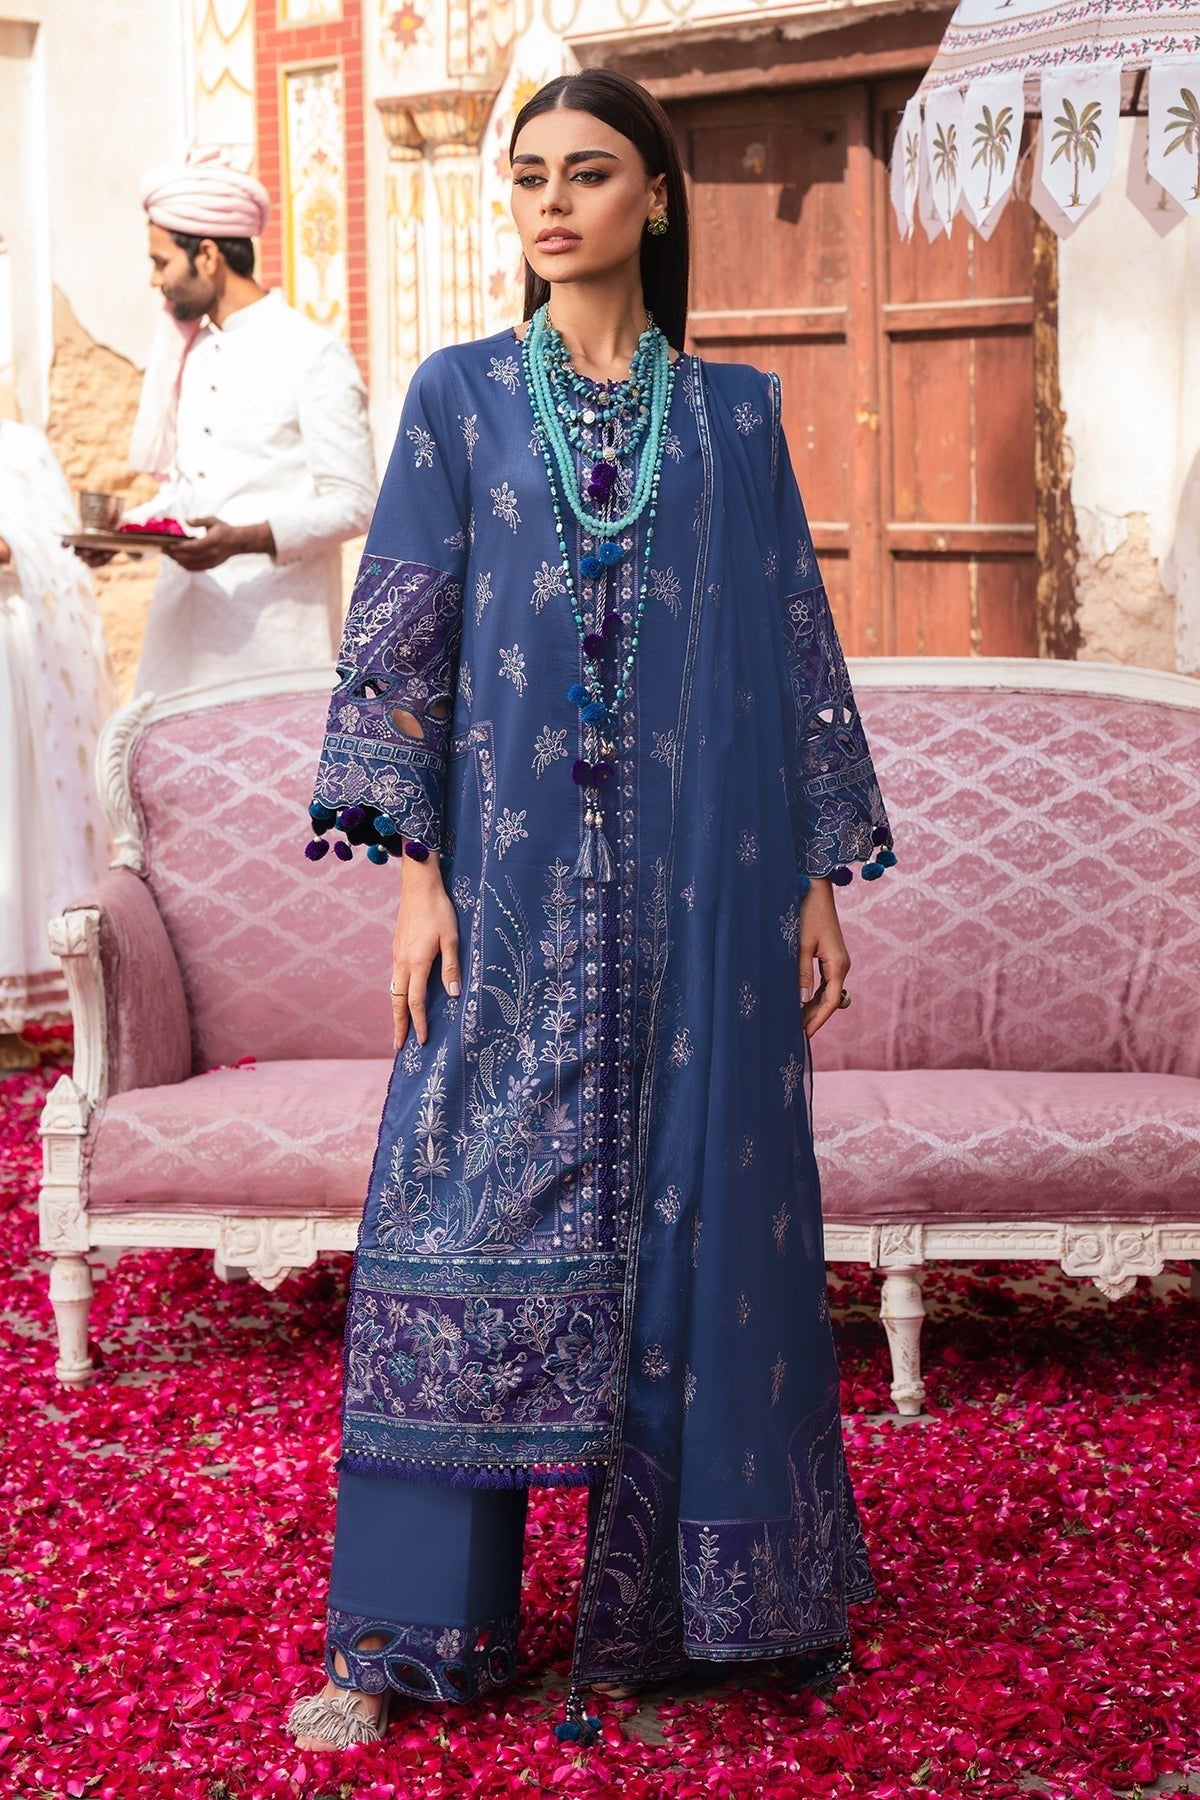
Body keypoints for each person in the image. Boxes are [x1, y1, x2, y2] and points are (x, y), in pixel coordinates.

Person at [287, 70, 896, 1751]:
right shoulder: (460, 396)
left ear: (658, 199)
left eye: (589, 173)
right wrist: (414, 881)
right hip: (507, 896)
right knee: (447, 1212)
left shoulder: (737, 418)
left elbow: (792, 643)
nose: (552, 204)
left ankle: (699, 1609)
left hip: (707, 901)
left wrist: (817, 878)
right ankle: (411, 1634)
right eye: (528, 177)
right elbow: (401, 641)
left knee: (707, 1226)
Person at [83, 152, 376, 694]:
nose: (154, 279)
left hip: (272, 640)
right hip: (183, 636)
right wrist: (122, 537)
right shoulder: (193, 353)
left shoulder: (311, 353)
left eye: (161, 262)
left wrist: (246, 540)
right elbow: (188, 491)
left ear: (208, 255)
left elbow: (355, 503)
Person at [0, 419, 115, 1040]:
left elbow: (57, 548)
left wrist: (14, 548)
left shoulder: (20, 446)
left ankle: (20, 1008)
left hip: (14, 651)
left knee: (14, 811)